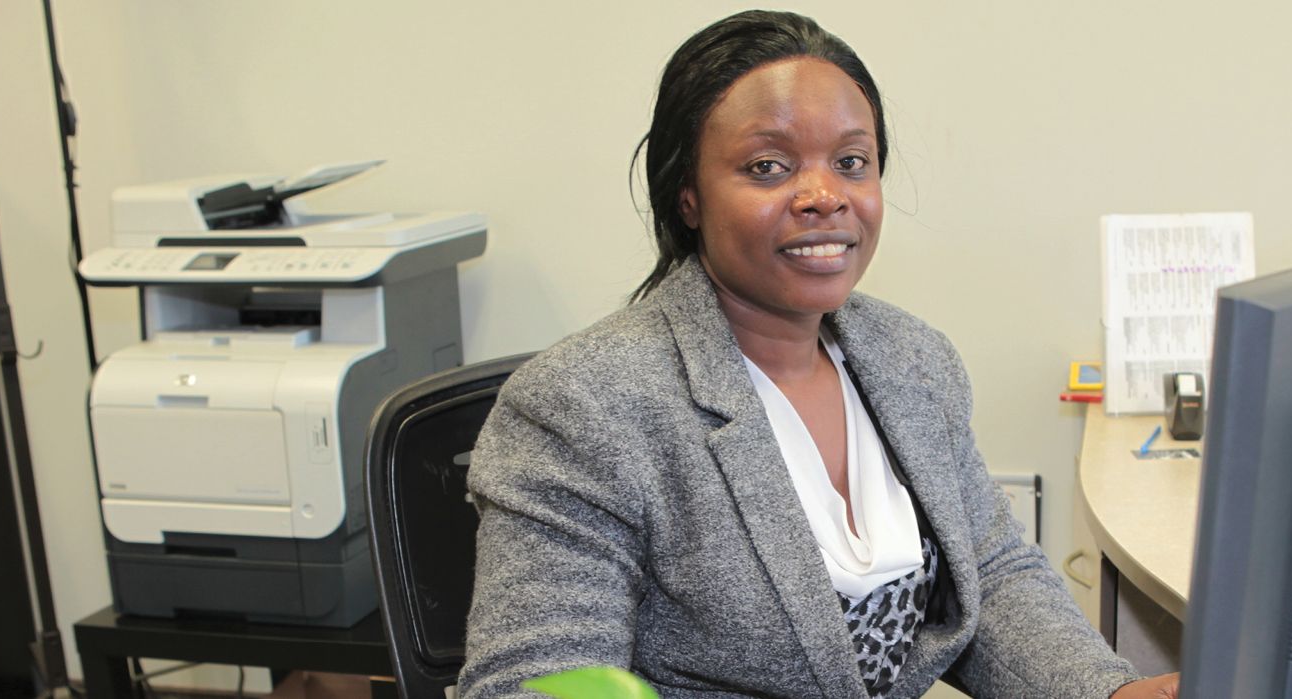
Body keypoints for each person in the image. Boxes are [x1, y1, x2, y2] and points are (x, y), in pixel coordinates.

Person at [460, 10, 1179, 699]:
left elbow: (988, 576)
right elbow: (536, 681)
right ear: (687, 195)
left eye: (851, 161)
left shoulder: (914, 358)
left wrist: (1111, 687)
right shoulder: (583, 405)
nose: (823, 195)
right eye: (768, 166)